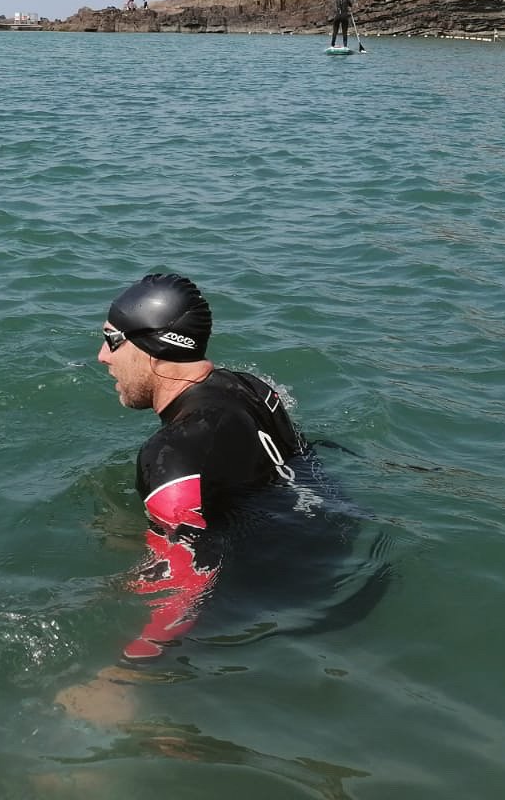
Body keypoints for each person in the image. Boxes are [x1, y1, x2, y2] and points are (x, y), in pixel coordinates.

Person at [55, 273, 316, 725]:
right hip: (317, 543)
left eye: (110, 341)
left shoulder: (171, 455)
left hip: (271, 605)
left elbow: (186, 583)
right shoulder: (251, 387)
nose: (101, 357)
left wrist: (124, 676)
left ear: (153, 345)